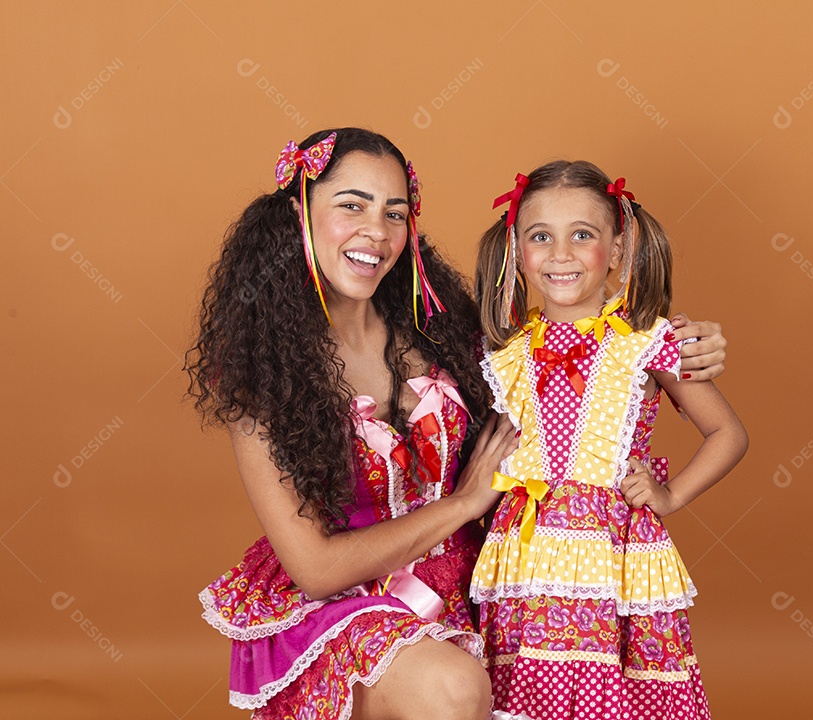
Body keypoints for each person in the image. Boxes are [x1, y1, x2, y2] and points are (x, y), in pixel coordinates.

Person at [186, 127, 730, 720]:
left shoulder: (444, 331)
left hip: (480, 579)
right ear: (298, 214)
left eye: (395, 213)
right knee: (454, 687)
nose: (376, 231)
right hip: (348, 601)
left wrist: (682, 343)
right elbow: (316, 570)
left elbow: (562, 361)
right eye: (351, 205)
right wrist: (463, 504)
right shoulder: (261, 374)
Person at [470, 161, 749, 720]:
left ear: (618, 250)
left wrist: (670, 496)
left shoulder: (647, 341)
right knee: (524, 695)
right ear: (515, 250)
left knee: (617, 695)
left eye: (583, 235)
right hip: (525, 555)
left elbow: (728, 433)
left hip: (612, 548)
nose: (561, 253)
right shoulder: (498, 350)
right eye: (540, 236)